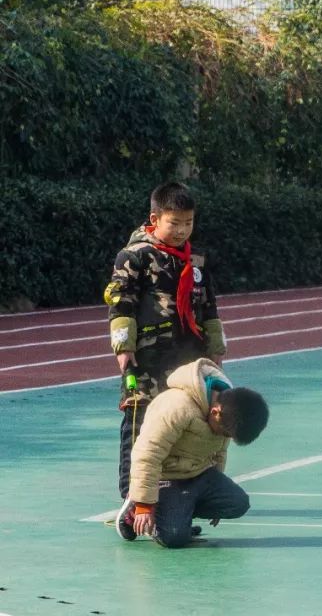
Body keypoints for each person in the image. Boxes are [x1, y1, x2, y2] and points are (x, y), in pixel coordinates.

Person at [105, 181, 226, 499]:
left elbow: (209, 304)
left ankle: (178, 492)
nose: (182, 230)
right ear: (154, 219)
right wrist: (123, 346)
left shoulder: (196, 258)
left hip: (189, 356)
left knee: (186, 420)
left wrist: (216, 346)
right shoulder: (135, 256)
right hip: (148, 356)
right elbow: (120, 302)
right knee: (140, 419)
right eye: (174, 223)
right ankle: (131, 496)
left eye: (189, 222)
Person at [115, 358, 269, 547]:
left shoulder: (230, 412)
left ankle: (177, 515)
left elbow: (219, 453)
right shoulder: (177, 407)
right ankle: (136, 509)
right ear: (215, 412)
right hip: (166, 477)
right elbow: (147, 454)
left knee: (237, 503)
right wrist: (144, 505)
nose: (223, 437)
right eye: (224, 433)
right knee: (174, 538)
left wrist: (215, 505)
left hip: (198, 474)